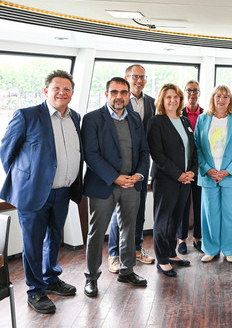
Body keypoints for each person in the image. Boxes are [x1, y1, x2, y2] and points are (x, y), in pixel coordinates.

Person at [0, 70, 82, 314]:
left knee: (54, 238)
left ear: (72, 93)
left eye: (67, 89)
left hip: (63, 192)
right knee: (33, 243)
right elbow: (7, 152)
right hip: (33, 193)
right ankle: (35, 291)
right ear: (46, 91)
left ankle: (51, 279)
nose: (62, 92)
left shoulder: (75, 117)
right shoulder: (26, 115)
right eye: (57, 88)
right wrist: (26, 179)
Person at [82, 77, 150, 297]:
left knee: (129, 229)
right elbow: (91, 155)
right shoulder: (92, 119)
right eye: (114, 92)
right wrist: (116, 178)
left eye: (123, 92)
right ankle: (92, 277)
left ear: (129, 95)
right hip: (103, 185)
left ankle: (127, 270)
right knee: (97, 232)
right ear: (106, 94)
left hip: (132, 184)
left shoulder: (135, 118)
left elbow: (143, 151)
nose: (119, 96)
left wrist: (138, 175)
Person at [108, 64, 155, 274]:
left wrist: (141, 170)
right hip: (119, 169)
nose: (139, 80)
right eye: (135, 76)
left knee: (139, 211)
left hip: (141, 167)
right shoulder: (117, 102)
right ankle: (114, 254)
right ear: (127, 79)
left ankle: (136, 248)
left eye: (142, 77)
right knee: (117, 214)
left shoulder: (152, 103)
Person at [147, 84, 197, 277]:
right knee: (163, 220)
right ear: (162, 99)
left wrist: (191, 171)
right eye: (168, 97)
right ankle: (161, 259)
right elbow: (158, 155)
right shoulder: (156, 122)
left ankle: (171, 252)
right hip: (166, 179)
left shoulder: (185, 121)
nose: (172, 100)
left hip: (185, 180)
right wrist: (179, 174)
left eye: (176, 97)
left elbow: (192, 150)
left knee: (176, 219)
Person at [195, 85, 232, 263]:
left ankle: (230, 249)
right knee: (210, 213)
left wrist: (227, 171)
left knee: (231, 213)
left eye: (226, 97)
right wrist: (208, 169)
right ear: (213, 98)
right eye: (218, 96)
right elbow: (197, 148)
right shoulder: (203, 119)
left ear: (230, 100)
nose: (221, 100)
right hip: (208, 174)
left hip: (230, 176)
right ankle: (211, 248)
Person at [177, 80, 204, 254]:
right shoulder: (178, 114)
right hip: (183, 167)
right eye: (189, 90)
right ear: (184, 93)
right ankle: (181, 239)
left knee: (200, 203)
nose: (192, 94)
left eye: (195, 90)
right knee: (183, 204)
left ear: (199, 93)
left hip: (200, 166)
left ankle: (198, 237)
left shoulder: (205, 115)